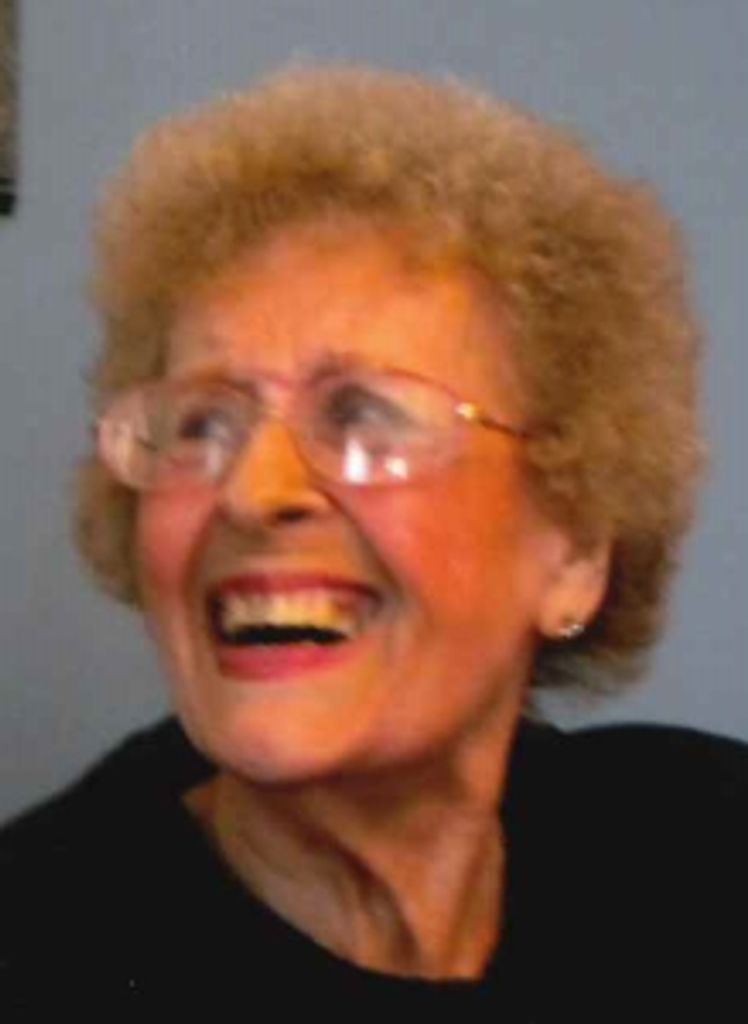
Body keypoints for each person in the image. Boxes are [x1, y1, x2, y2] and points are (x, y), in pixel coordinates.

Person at [1, 65, 745, 1018]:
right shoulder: (38, 953)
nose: (253, 495)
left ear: (573, 553)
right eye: (201, 425)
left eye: (364, 417)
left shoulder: (707, 848)